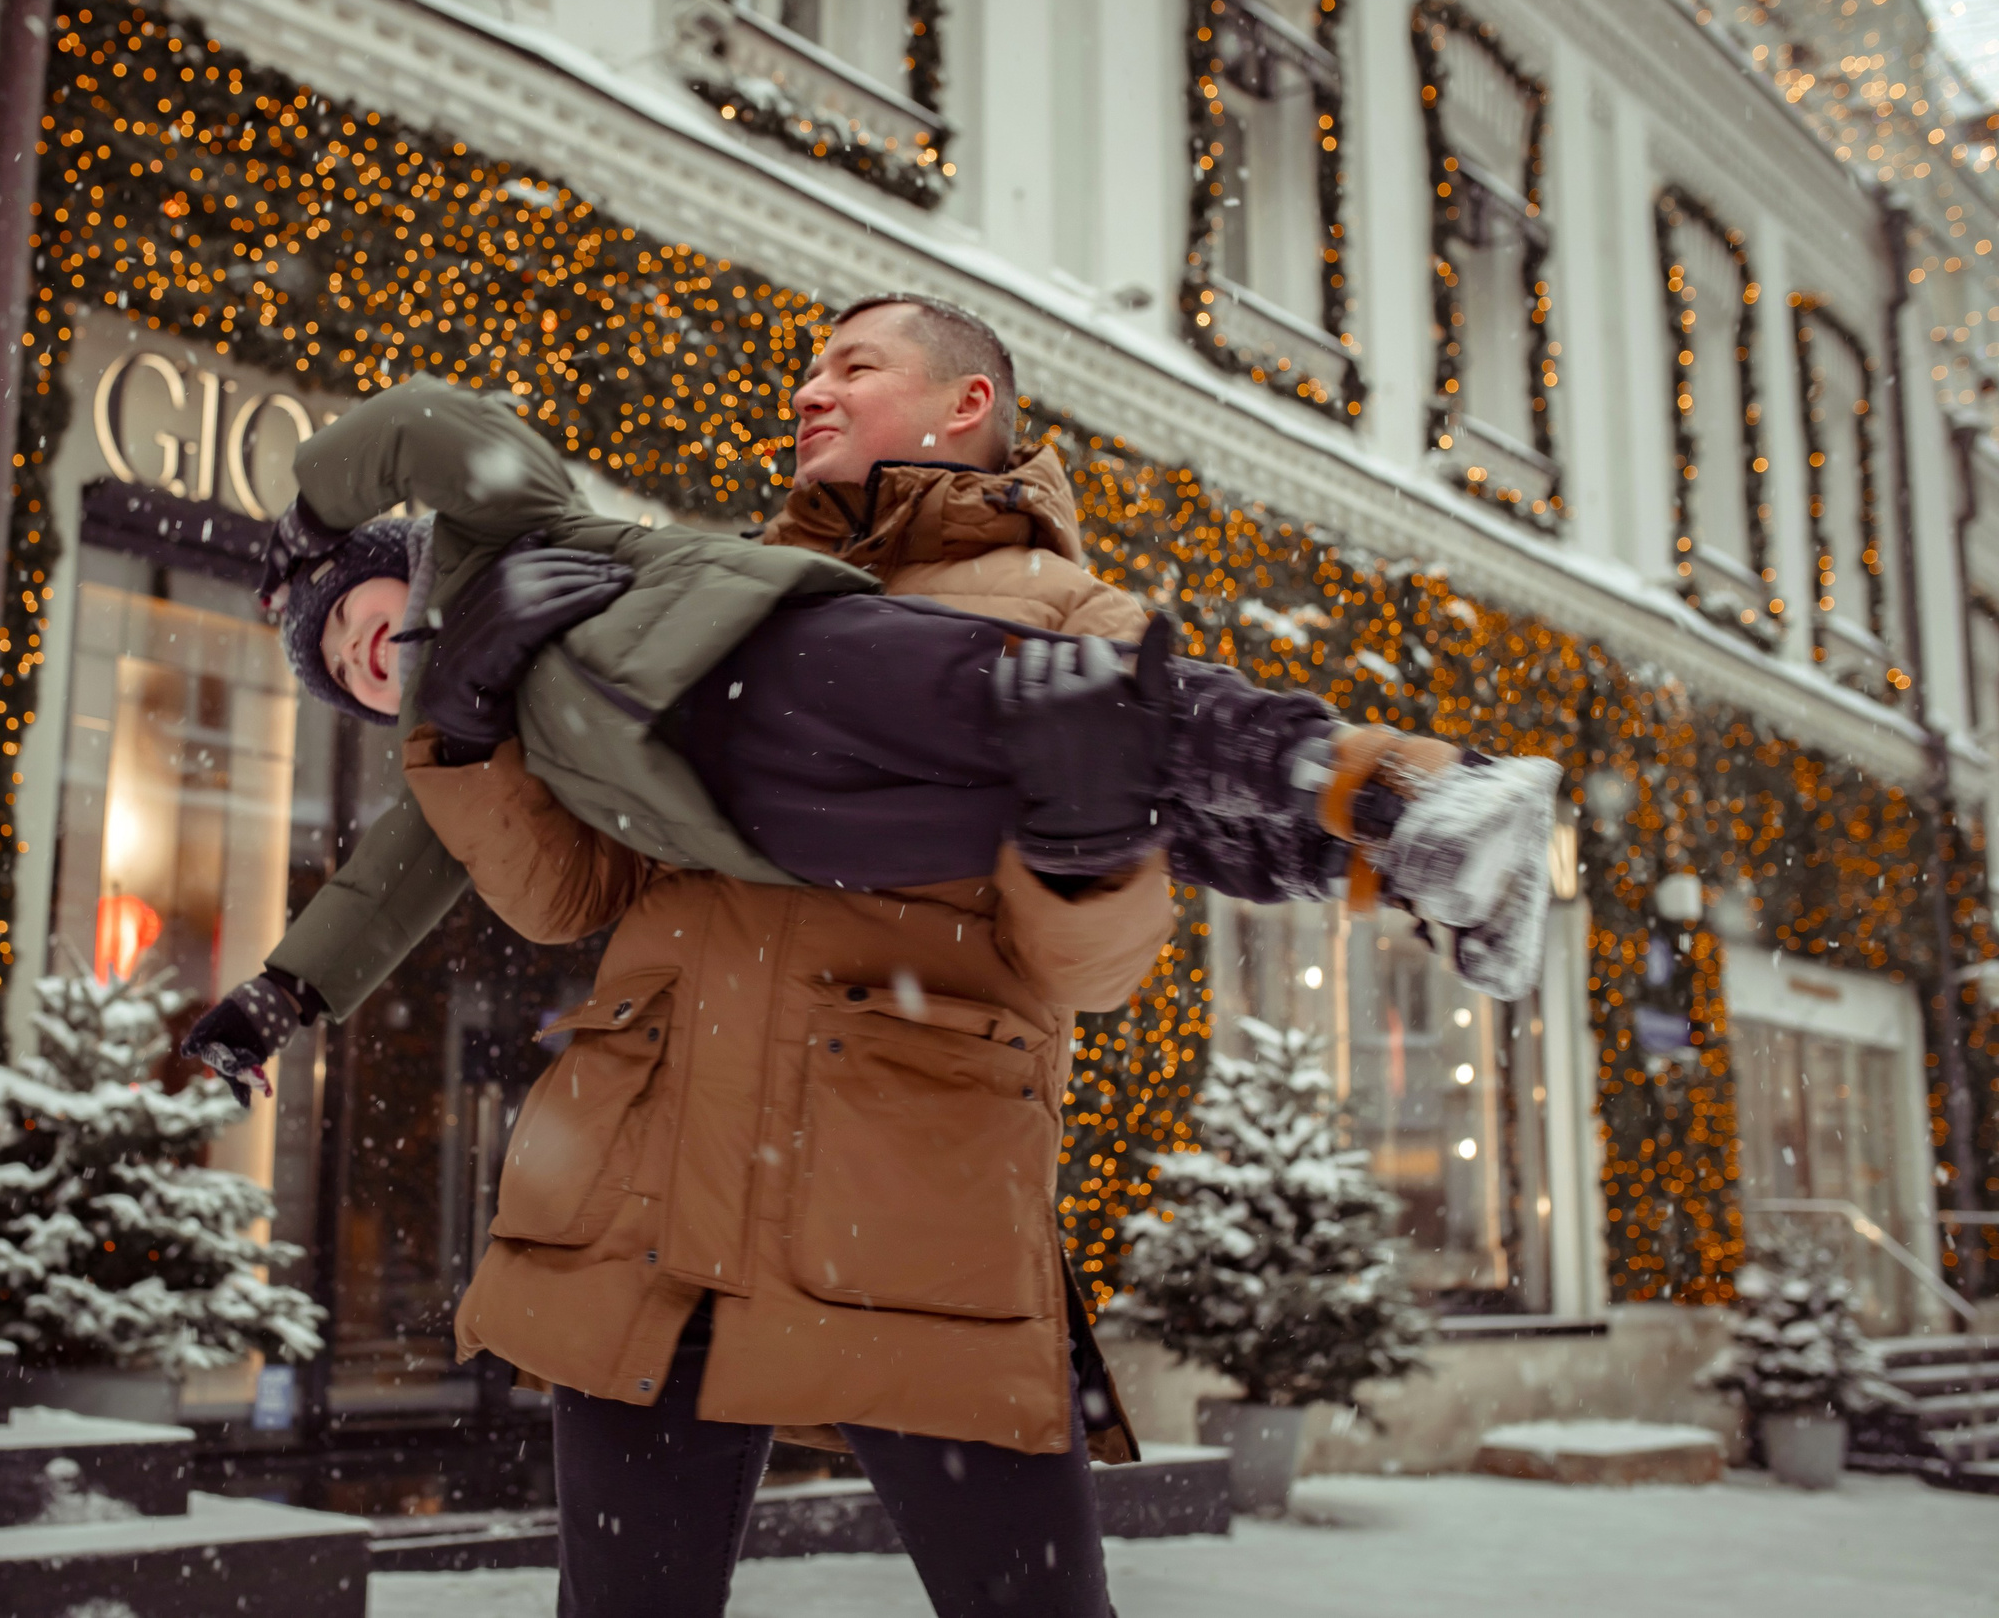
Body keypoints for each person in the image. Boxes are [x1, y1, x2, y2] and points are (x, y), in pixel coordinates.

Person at [176, 296, 1555, 1617]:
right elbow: (551, 896)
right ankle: (1412, 844)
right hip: (641, 1211)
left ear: (968, 405)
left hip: (904, 1216)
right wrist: (458, 743)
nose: (808, 390)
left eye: (852, 367)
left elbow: (1097, 963)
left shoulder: (1040, 610)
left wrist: (1082, 849)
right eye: (808, 370)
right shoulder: (708, 599)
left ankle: (1407, 816)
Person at [178, 304, 1553, 1105]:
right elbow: (395, 882)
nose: (360, 662)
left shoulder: (498, 529)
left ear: (392, 568)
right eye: (340, 673)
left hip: (761, 658)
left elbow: (438, 428)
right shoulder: (448, 743)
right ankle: (1402, 872)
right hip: (776, 828)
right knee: (1093, 803)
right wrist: (277, 1000)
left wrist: (311, 503)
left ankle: (1399, 792)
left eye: (350, 623)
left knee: (1076, 704)